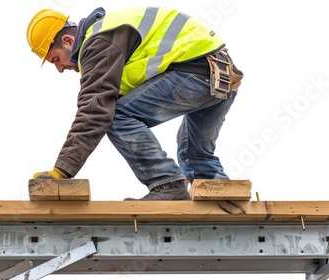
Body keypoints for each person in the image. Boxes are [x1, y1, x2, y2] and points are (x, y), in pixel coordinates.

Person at [26, 6, 243, 200]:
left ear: (68, 41)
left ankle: (167, 183)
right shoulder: (111, 39)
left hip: (194, 73)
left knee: (116, 116)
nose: (60, 69)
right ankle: (222, 199)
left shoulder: (97, 41)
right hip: (222, 78)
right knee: (194, 155)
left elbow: (95, 111)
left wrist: (63, 170)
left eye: (55, 59)